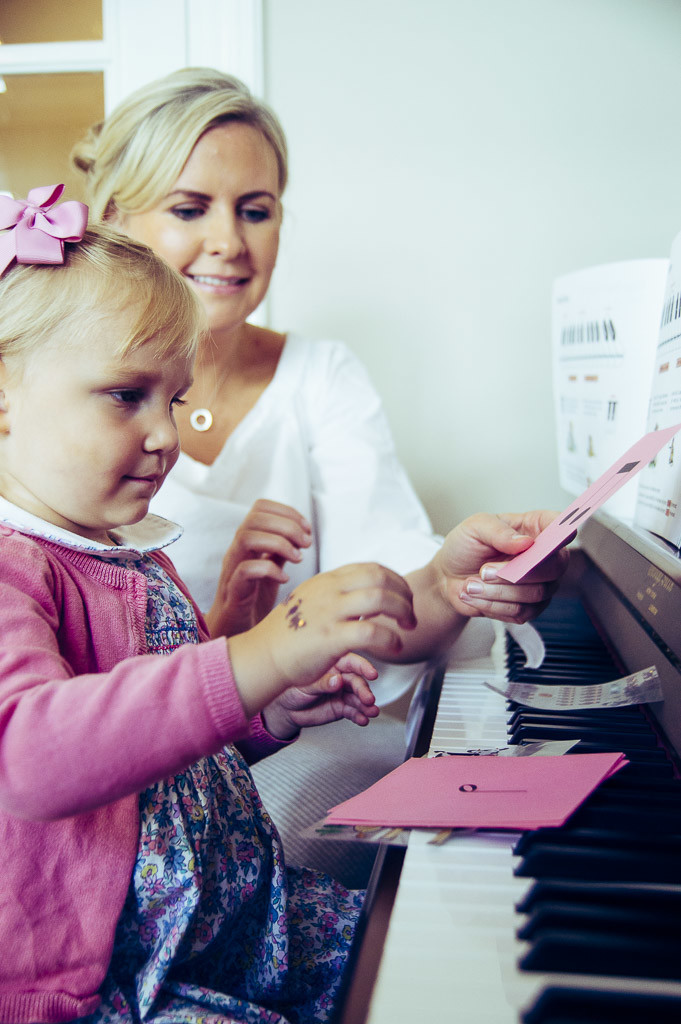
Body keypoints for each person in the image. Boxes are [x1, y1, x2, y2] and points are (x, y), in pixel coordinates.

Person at [0, 188, 564, 1022]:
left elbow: (169, 755)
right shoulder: (13, 563)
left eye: (173, 398)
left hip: (246, 928)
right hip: (119, 981)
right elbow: (33, 757)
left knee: (464, 975)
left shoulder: (128, 555)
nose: (166, 435)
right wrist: (256, 653)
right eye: (126, 395)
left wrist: (267, 705)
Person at [71, 68, 567, 886]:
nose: (229, 240)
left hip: (278, 734)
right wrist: (236, 637)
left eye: (255, 209)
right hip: (115, 775)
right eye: (190, 208)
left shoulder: (319, 375)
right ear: (117, 218)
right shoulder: (56, 407)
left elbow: (385, 611)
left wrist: (445, 581)